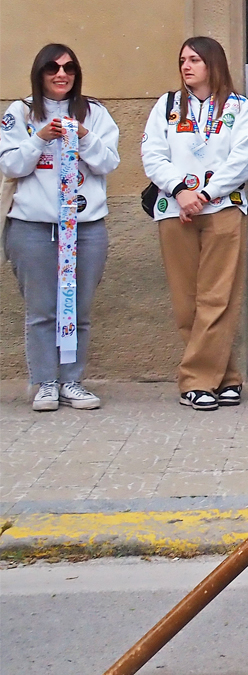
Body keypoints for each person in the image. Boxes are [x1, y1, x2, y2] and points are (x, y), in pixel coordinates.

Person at [141, 37, 248, 411]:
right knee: (186, 301)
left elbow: (242, 159)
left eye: (194, 59)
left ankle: (196, 381)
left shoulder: (240, 109)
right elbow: (152, 153)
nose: (186, 66)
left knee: (218, 297)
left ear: (213, 63)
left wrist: (205, 194)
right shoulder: (167, 106)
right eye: (182, 60)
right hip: (174, 209)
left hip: (224, 208)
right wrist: (179, 190)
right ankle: (225, 376)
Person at [2, 44, 121, 412]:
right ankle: (45, 381)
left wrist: (82, 135)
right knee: (42, 309)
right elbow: (10, 165)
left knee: (79, 308)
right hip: (33, 226)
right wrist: (40, 138)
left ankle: (72, 380)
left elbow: (108, 162)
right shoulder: (19, 113)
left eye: (69, 68)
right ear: (39, 73)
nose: (61, 74)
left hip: (85, 226)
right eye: (52, 68)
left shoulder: (96, 112)